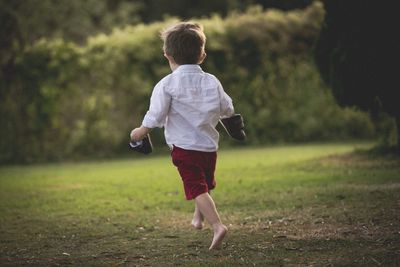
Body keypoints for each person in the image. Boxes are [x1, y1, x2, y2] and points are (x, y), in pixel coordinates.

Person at [130, 21, 234, 250]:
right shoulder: (212, 81)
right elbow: (228, 108)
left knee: (197, 187)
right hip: (209, 146)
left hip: (185, 148)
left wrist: (140, 131)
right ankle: (198, 218)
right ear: (202, 55)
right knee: (204, 184)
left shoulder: (166, 84)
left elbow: (155, 115)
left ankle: (217, 226)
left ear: (168, 55)